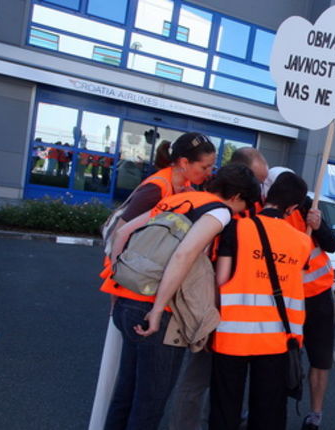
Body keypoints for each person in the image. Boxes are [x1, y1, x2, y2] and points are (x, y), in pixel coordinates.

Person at [104, 164, 260, 430]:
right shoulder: (218, 211)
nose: (239, 213)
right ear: (235, 197)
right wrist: (157, 308)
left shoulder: (178, 199)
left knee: (125, 395)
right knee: (149, 405)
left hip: (127, 300)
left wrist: (116, 286)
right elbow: (183, 255)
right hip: (158, 314)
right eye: (242, 206)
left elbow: (121, 233)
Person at [91, 133, 217, 430]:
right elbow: (117, 236)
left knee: (129, 389)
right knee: (143, 399)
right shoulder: (156, 190)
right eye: (206, 167)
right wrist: (120, 284)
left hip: (135, 298)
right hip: (138, 299)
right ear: (184, 163)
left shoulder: (181, 187)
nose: (209, 174)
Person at [209, 171, 312, 430]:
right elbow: (295, 285)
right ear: (293, 208)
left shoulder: (237, 226)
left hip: (232, 334)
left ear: (267, 195)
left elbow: (221, 279)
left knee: (225, 408)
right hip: (277, 338)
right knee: (268, 412)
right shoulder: (302, 242)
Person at [265, 167, 335, 430]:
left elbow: (331, 244)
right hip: (283, 298)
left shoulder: (308, 206)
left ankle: (315, 414)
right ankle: (266, 408)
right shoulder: (266, 213)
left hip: (318, 295)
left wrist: (317, 226)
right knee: (277, 357)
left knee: (320, 359)